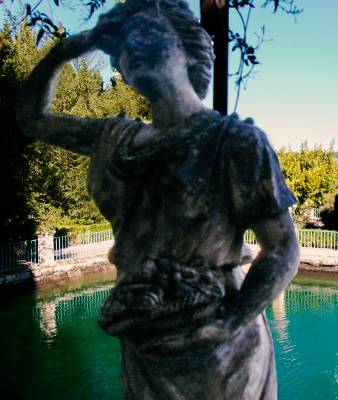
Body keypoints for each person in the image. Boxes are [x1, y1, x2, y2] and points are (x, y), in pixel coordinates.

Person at [17, 1, 299, 398]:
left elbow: (282, 247)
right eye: (121, 46)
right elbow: (32, 118)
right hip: (143, 341)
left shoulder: (234, 142)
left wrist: (230, 322)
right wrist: (70, 48)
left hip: (220, 351)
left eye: (146, 32)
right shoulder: (114, 139)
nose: (132, 46)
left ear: (185, 45)